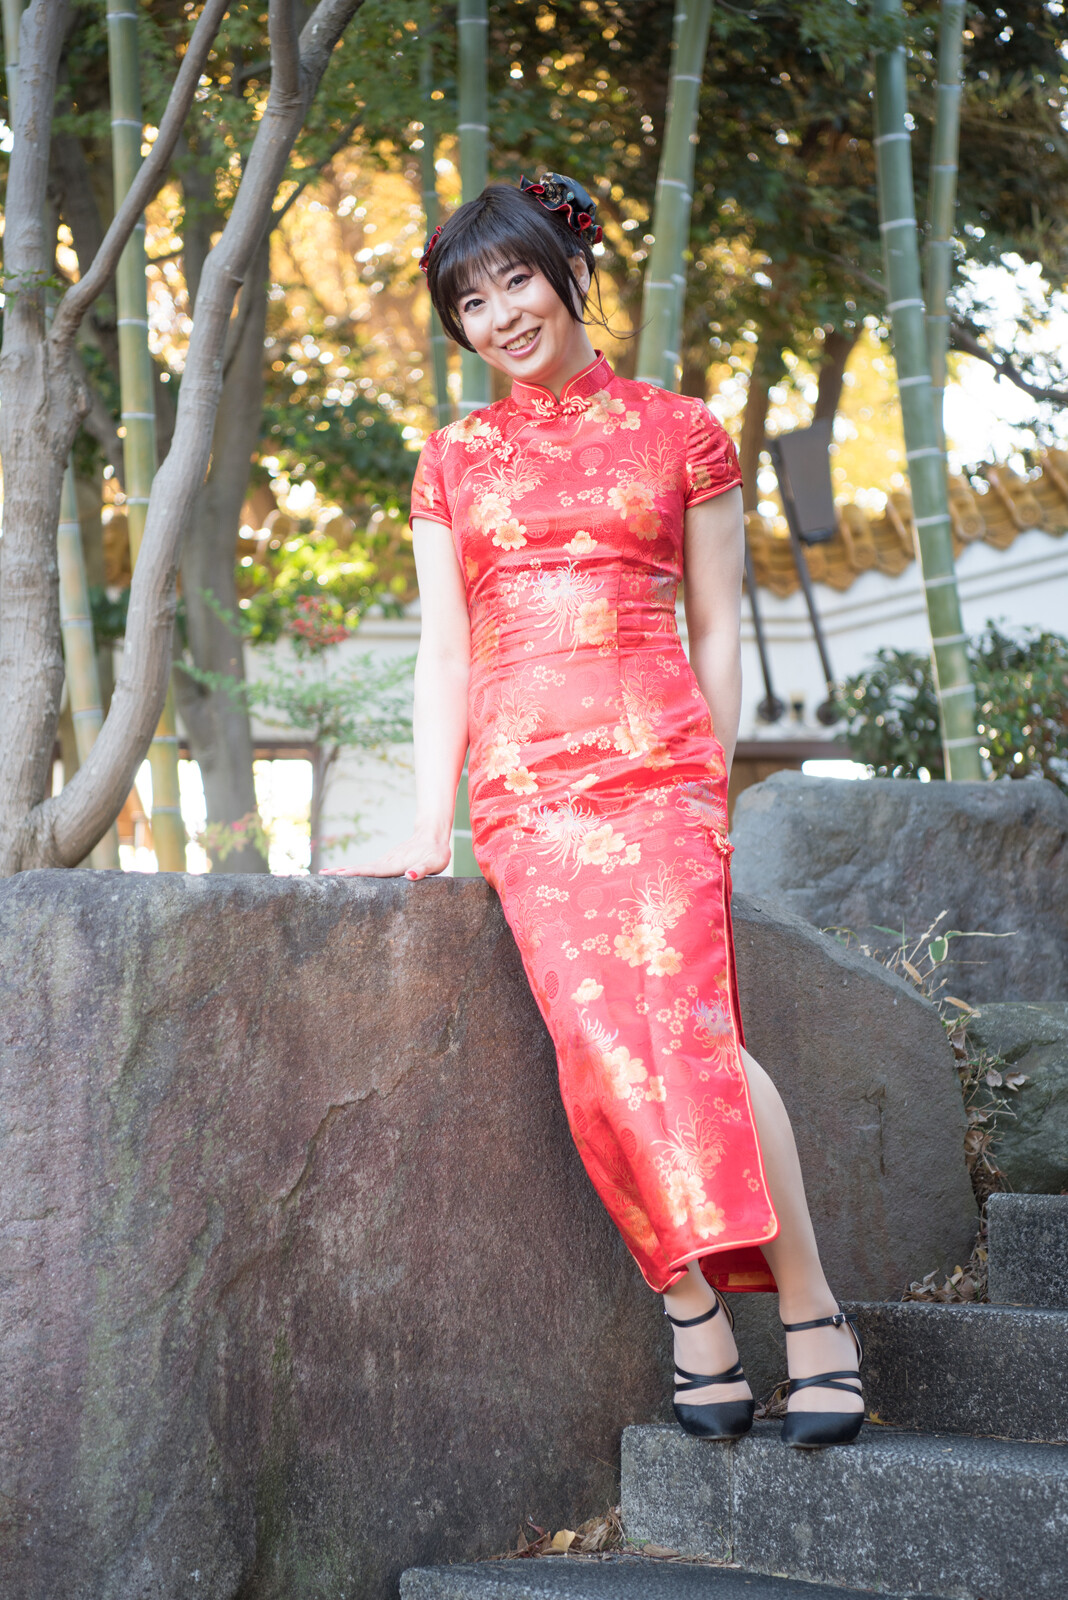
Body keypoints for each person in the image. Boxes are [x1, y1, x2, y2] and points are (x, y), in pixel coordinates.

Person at [324, 174, 863, 1449]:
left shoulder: (684, 431)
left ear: (569, 272)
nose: (500, 314)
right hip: (526, 790)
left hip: (659, 769)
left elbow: (720, 624)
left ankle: (813, 1308)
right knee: (597, 1045)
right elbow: (443, 653)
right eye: (470, 302)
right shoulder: (453, 458)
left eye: (516, 279)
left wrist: (708, 773)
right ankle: (692, 1311)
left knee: (692, 1033)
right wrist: (432, 820)